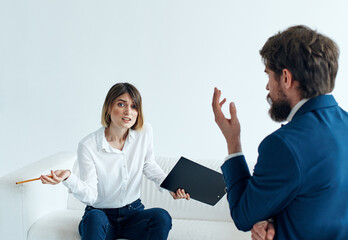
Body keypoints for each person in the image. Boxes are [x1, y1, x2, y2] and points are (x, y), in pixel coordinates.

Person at [212, 25, 348, 239]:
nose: (267, 87)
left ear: (286, 78)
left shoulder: (284, 145)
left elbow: (242, 216)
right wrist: (276, 220)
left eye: (268, 75)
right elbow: (321, 199)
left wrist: (233, 142)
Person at [40, 82, 190, 240]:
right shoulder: (88, 145)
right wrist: (68, 177)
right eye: (121, 104)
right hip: (100, 216)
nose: (128, 112)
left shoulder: (144, 132)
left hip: (134, 213)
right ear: (108, 108)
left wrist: (169, 186)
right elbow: (91, 195)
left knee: (161, 217)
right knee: (94, 218)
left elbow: (148, 164)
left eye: (134, 106)